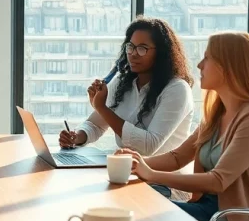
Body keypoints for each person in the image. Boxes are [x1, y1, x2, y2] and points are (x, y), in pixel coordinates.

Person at [117, 31, 249, 221]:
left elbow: (218, 181)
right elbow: (177, 158)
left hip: (234, 220)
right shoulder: (217, 115)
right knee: (136, 204)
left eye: (207, 58)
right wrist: (134, 163)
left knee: (139, 215)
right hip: (209, 210)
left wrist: (151, 174)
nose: (200, 65)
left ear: (229, 67)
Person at [58, 17, 194, 157]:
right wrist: (76, 137)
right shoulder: (122, 83)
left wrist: (102, 108)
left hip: (160, 170)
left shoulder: (177, 89)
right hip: (127, 165)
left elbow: (149, 146)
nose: (133, 54)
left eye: (142, 48)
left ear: (161, 53)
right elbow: (95, 125)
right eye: (131, 47)